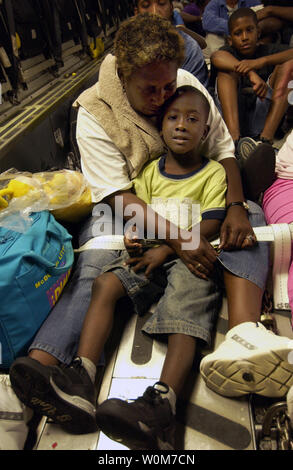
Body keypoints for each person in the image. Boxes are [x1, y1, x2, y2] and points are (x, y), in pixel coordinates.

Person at [8, 13, 289, 438]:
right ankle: (45, 377)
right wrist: (177, 240)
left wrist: (233, 204)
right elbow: (120, 197)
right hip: (131, 203)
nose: (163, 98)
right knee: (98, 258)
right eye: (150, 90)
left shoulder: (186, 90)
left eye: (167, 86)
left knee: (247, 217)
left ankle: (244, 337)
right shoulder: (95, 113)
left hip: (198, 196)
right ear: (124, 77)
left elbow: (223, 151)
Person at [36, 86, 228, 450]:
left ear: (205, 131)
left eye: (192, 120)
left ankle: (162, 405)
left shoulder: (213, 173)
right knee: (106, 284)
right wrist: (135, 237)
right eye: (173, 118)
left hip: (189, 256)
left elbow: (211, 224)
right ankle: (82, 375)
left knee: (185, 305)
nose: (182, 126)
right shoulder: (150, 172)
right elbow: (137, 217)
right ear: (161, 127)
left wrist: (168, 250)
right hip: (153, 253)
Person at [211, 7, 293, 157]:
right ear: (230, 39)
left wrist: (261, 62)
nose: (244, 37)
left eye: (249, 30)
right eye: (238, 33)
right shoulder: (228, 51)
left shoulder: (268, 50)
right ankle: (234, 143)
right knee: (226, 73)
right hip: (233, 120)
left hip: (263, 117)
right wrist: (250, 73)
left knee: (289, 65)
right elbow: (216, 56)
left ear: (258, 32)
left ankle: (265, 142)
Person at [134, 0, 208, 82]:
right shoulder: (128, 46)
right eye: (146, 5)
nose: (154, 12)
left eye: (161, 3)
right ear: (136, 13)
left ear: (171, 8)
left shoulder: (188, 48)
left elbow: (194, 92)